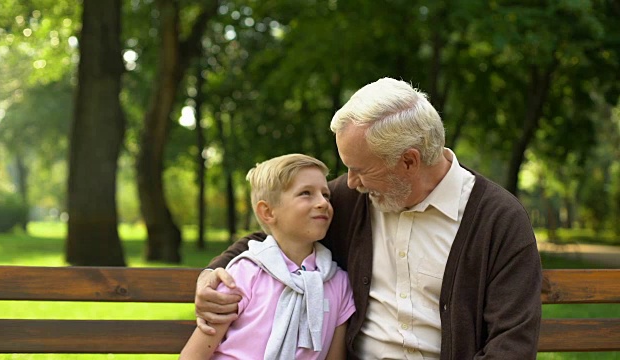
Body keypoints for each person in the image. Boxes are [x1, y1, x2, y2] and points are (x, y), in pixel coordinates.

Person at [195, 77, 543, 359]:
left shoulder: (497, 219)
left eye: (358, 169)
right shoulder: (353, 199)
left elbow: (511, 345)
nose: (348, 182)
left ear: (408, 162)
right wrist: (214, 272)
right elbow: (277, 234)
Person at [180, 154, 355, 360]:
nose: (322, 203)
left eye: (326, 195)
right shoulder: (243, 274)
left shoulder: (339, 283)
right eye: (306, 193)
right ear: (268, 212)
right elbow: (193, 355)